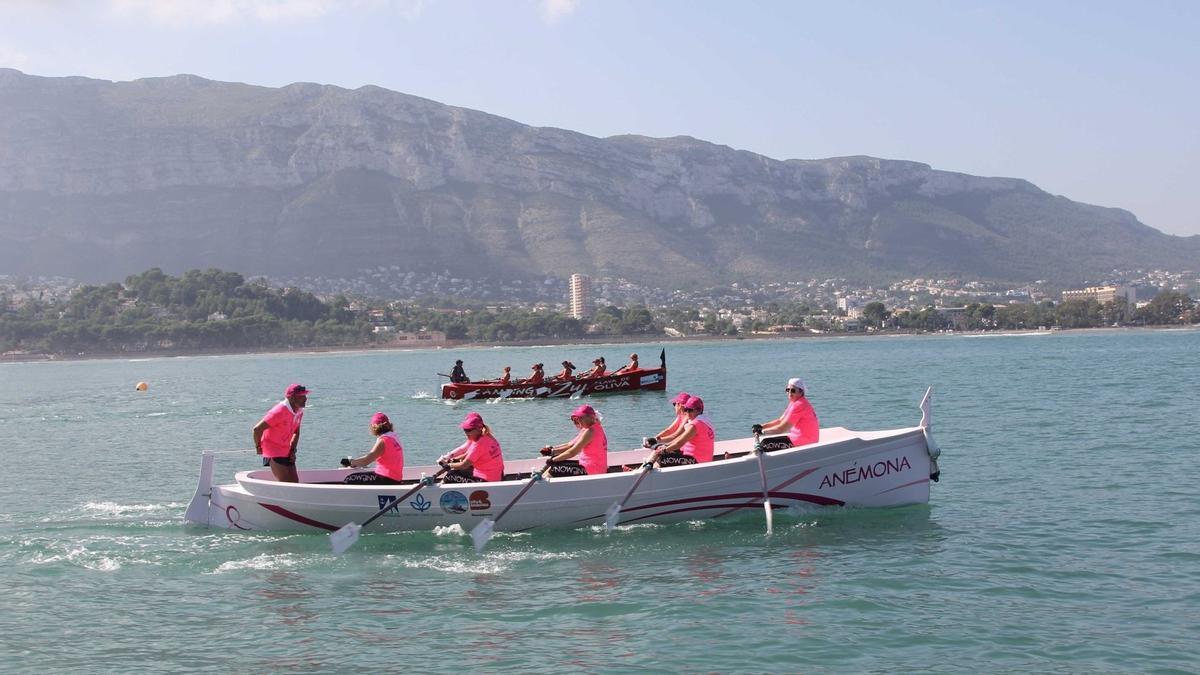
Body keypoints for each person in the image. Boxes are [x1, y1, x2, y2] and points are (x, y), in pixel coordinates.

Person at [252, 383, 309, 483]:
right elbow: (257, 429)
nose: (305, 398)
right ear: (291, 398)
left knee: (295, 482)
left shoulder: (299, 411)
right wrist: (258, 447)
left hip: (287, 449)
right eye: (301, 396)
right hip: (273, 450)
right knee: (285, 483)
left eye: (305, 395)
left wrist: (292, 450)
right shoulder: (279, 411)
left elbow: (296, 432)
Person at [540, 405, 608, 477]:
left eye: (581, 418)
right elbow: (570, 445)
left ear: (591, 417)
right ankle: (540, 478)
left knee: (555, 469)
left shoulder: (590, 431)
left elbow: (572, 452)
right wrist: (551, 450)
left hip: (593, 470)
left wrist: (553, 460)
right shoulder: (589, 428)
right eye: (578, 418)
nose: (579, 420)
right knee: (556, 462)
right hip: (587, 465)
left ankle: (540, 484)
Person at [440, 412, 505, 483]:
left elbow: (463, 465)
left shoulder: (479, 445)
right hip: (497, 476)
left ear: (479, 429)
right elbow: (466, 455)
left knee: (450, 475)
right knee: (458, 468)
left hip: (486, 481)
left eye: (468, 430)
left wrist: (448, 465)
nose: (466, 432)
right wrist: (451, 459)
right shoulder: (487, 436)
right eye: (464, 429)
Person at [650, 395, 714, 467]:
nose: (687, 413)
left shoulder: (694, 425)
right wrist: (665, 446)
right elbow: (679, 438)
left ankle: (648, 475)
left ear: (699, 410)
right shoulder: (705, 421)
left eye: (690, 410)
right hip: (695, 458)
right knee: (661, 452)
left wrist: (664, 450)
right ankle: (644, 469)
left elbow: (679, 443)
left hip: (696, 461)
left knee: (661, 458)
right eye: (686, 409)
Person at [343, 412, 405, 485]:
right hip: (396, 478)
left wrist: (350, 462)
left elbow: (366, 460)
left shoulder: (383, 440)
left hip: (385, 478)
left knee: (349, 478)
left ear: (375, 426)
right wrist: (356, 462)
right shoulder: (394, 437)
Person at [756, 378, 819, 447]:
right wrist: (761, 426)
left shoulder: (800, 405)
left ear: (801, 392)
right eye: (787, 390)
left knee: (767, 444)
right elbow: (780, 421)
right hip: (797, 439)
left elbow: (782, 429)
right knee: (765, 443)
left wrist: (762, 432)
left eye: (793, 390)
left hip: (805, 442)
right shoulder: (794, 402)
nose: (789, 393)